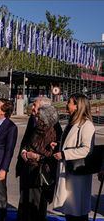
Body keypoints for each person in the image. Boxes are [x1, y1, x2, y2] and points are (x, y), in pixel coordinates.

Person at [53, 93, 95, 221]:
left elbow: (86, 149)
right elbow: (70, 142)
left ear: (77, 106)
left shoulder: (86, 125)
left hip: (77, 173)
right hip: (69, 171)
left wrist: (64, 154)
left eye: (69, 102)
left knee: (77, 211)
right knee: (69, 210)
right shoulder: (72, 122)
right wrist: (59, 145)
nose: (67, 104)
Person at [16, 105, 60, 221]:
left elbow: (53, 155)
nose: (35, 116)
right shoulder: (36, 129)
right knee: (24, 201)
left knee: (36, 203)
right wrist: (24, 152)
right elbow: (27, 143)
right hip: (28, 169)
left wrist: (37, 156)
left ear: (45, 118)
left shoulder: (53, 132)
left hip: (39, 173)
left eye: (38, 116)